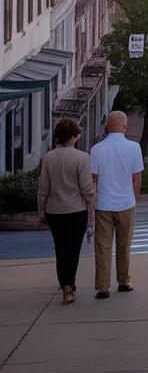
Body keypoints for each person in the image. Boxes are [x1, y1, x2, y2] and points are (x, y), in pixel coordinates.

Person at [37, 117, 96, 305]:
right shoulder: (82, 158)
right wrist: (93, 201)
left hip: (54, 210)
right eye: (77, 133)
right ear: (72, 136)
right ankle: (70, 285)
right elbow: (87, 188)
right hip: (76, 210)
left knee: (60, 249)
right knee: (73, 250)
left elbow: (43, 189)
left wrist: (41, 212)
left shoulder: (48, 157)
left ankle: (66, 285)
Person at [90, 110, 144, 299]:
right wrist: (132, 197)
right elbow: (136, 178)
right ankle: (123, 281)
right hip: (125, 202)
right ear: (125, 126)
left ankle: (102, 287)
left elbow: (93, 179)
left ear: (107, 127)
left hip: (103, 204)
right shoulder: (134, 148)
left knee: (103, 246)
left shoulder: (96, 149)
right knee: (124, 245)